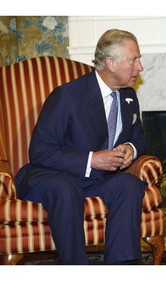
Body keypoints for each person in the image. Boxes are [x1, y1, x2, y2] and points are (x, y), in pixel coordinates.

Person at [15, 29, 148, 265]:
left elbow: (139, 138)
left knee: (129, 183)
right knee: (65, 187)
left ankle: (123, 266)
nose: (140, 67)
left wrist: (130, 147)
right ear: (111, 63)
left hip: (97, 180)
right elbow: (40, 151)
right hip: (55, 176)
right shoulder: (67, 96)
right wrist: (91, 160)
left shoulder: (128, 97)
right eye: (134, 59)